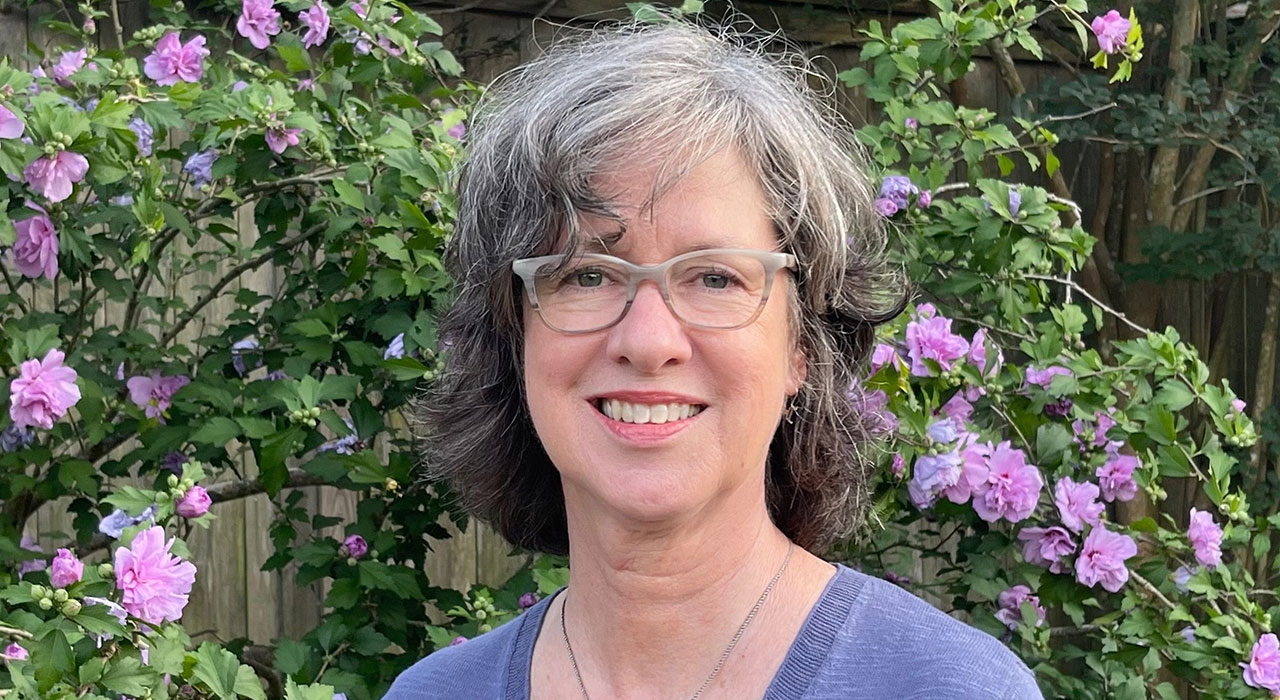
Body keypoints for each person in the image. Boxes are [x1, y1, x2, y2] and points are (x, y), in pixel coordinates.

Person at [386, 11, 1044, 700]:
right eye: (586, 274)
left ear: (802, 343)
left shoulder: (947, 688)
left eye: (714, 278)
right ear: (515, 334)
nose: (647, 342)